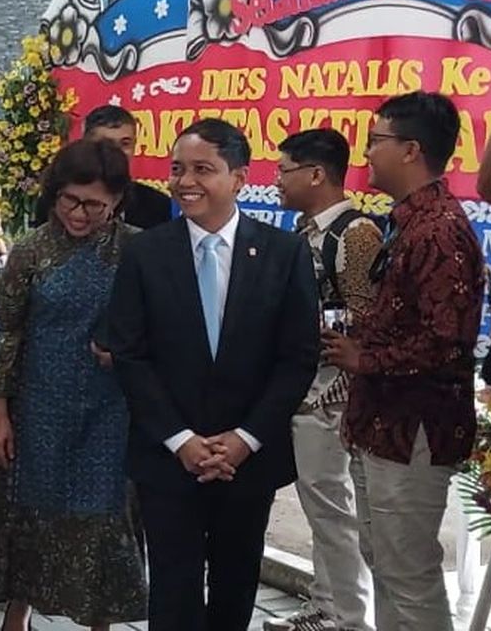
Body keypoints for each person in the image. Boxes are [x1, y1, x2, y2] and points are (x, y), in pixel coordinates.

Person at [108, 118, 318, 631]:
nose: (186, 182)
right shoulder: (145, 252)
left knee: (235, 586)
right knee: (173, 591)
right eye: (178, 169)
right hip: (167, 455)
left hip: (247, 459)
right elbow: (130, 354)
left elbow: (297, 358)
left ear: (240, 178)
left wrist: (245, 438)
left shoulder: (283, 253)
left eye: (204, 169)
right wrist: (181, 440)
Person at [0, 139, 148, 630]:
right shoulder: (32, 250)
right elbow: (5, 332)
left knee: (103, 519)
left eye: (95, 204)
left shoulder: (137, 250)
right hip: (38, 406)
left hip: (111, 413)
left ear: (117, 201)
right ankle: (16, 615)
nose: (80, 214)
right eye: (70, 200)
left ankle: (99, 621)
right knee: (28, 513)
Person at [323, 92, 484, 631]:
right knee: (387, 568)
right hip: (380, 424)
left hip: (414, 428)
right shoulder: (406, 221)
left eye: (376, 141)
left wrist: (364, 356)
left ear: (411, 149)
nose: (366, 153)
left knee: (410, 576)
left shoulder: (440, 229)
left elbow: (447, 343)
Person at [266, 129, 381, 631]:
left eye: (284, 170)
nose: (276, 181)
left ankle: (347, 617)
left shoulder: (355, 234)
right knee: (320, 505)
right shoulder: (303, 233)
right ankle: (324, 602)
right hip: (302, 389)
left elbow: (367, 317)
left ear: (316, 174)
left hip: (333, 398)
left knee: (334, 509)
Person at [83, 105, 172, 229]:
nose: (117, 152)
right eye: (107, 143)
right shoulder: (59, 202)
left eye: (125, 143)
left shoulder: (158, 205)